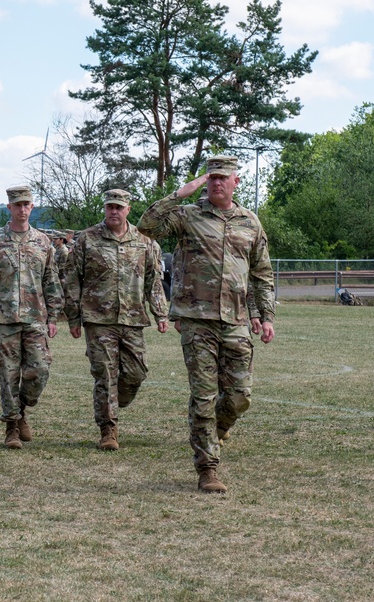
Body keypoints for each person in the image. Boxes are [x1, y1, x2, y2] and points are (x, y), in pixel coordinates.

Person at [137, 155, 275, 494]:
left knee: (240, 396)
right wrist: (180, 194)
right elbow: (146, 226)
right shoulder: (188, 216)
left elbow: (261, 273)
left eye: (222, 178)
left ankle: (219, 429)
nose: (216, 183)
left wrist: (265, 315)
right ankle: (207, 468)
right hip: (196, 320)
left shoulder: (250, 222)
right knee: (202, 396)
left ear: (235, 182)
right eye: (211, 177)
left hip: (236, 319)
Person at [64, 189, 169, 451]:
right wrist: (73, 317)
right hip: (98, 319)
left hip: (133, 318)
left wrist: (160, 313)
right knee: (105, 374)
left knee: (136, 373)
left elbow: (154, 281)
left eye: (119, 207)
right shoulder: (87, 239)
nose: (114, 211)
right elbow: (72, 279)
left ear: (128, 210)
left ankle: (116, 399)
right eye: (110, 206)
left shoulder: (145, 241)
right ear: (105, 208)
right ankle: (108, 429)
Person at [0, 185, 63, 449]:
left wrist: (54, 316)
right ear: (9, 208)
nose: (22, 209)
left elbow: (51, 280)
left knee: (40, 369)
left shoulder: (43, 242)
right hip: (4, 319)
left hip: (35, 318)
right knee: (9, 374)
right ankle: (12, 426)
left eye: (27, 204)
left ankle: (22, 407)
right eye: (17, 205)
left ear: (32, 207)